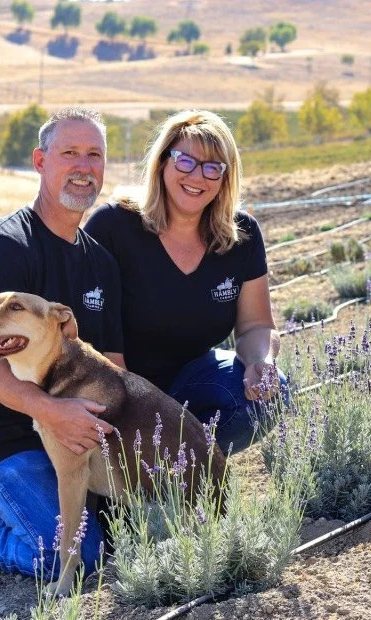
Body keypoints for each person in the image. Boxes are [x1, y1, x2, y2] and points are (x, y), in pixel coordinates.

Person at [0, 107, 124, 575]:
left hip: (74, 437)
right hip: (3, 441)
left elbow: (113, 366)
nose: (84, 166)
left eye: (94, 155)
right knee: (78, 557)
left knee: (133, 535)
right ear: (40, 162)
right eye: (70, 153)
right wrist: (54, 413)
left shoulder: (101, 264)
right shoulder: (2, 249)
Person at [83, 110, 285, 455]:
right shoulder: (113, 226)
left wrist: (260, 361)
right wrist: (135, 414)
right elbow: (94, 340)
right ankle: (148, 471)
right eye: (185, 161)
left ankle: (179, 473)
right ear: (163, 162)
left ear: (225, 177)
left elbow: (256, 325)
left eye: (213, 167)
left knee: (266, 398)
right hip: (112, 387)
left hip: (190, 381)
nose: (197, 176)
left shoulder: (242, 235)